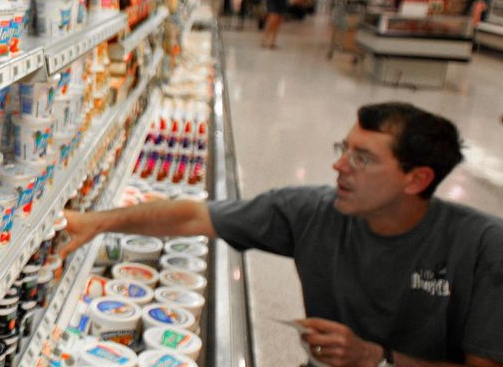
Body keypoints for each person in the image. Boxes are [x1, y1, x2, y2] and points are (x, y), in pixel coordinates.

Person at [62, 102, 503, 366]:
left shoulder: (484, 246)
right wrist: (96, 222)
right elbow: (192, 217)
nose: (339, 165)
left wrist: (376, 358)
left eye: (363, 158)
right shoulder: (314, 211)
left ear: (416, 179)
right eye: (344, 149)